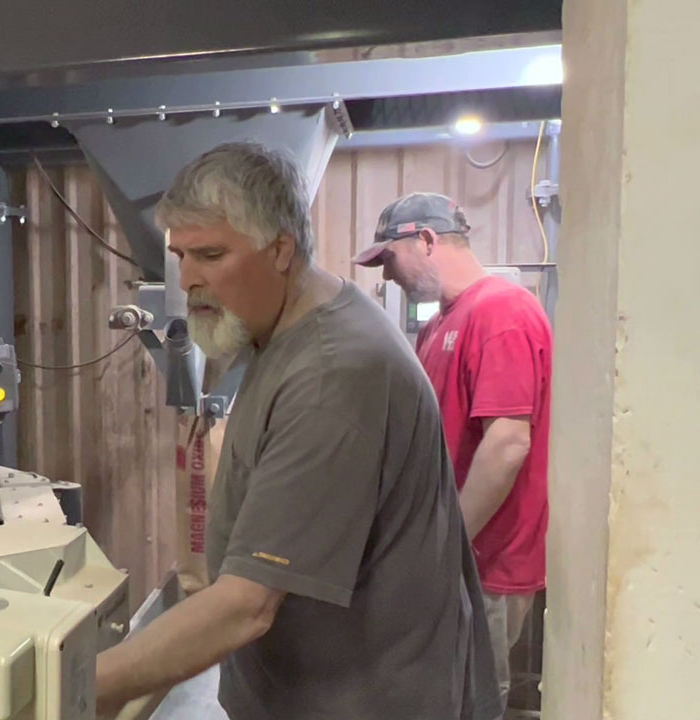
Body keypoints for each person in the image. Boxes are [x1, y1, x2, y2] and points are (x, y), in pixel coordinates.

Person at [94, 143, 499, 720]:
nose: (188, 280)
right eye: (181, 255)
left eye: (211, 254)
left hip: (366, 699)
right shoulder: (280, 327)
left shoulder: (333, 375)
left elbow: (245, 607)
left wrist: (75, 687)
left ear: (281, 249)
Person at [354, 192, 552, 711]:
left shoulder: (502, 313)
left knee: (473, 700)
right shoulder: (443, 321)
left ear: (426, 239)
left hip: (487, 563)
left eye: (388, 258)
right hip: (456, 558)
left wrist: (446, 544)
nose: (388, 275)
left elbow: (507, 444)